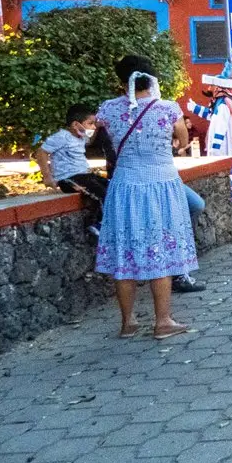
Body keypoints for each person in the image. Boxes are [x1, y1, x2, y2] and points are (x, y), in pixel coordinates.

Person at [94, 55, 195, 340]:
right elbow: (183, 141)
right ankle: (162, 321)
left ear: (120, 80)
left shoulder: (108, 109)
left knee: (124, 252)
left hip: (124, 185)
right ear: (152, 79)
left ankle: (128, 322)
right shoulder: (167, 109)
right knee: (159, 247)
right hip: (161, 184)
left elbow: (102, 137)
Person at [36, 104, 109, 235]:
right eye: (90, 123)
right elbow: (41, 152)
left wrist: (98, 128)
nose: (92, 127)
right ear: (76, 124)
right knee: (101, 194)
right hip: (70, 177)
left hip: (84, 175)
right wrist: (47, 177)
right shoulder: (61, 137)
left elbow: (90, 141)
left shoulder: (80, 136)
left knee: (111, 186)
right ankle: (98, 224)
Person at [186, 60, 232, 208]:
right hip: (229, 147)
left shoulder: (223, 105)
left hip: (225, 147)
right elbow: (211, 115)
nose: (210, 89)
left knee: (229, 172)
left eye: (213, 86)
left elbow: (219, 127)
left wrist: (214, 150)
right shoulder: (224, 103)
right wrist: (194, 108)